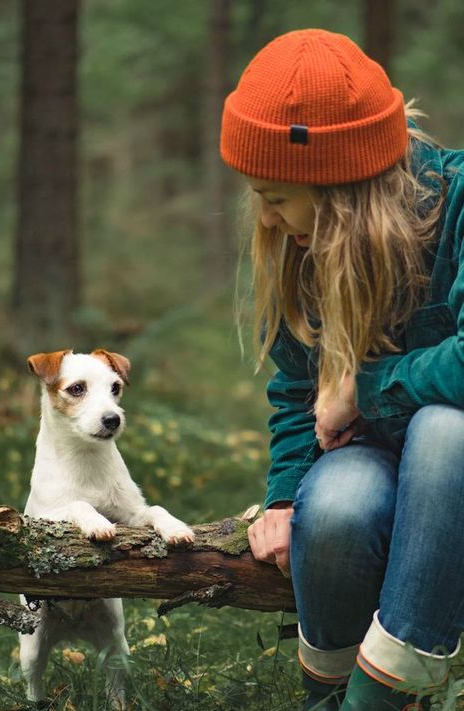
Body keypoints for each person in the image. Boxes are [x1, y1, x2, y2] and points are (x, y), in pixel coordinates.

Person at [219, 28, 464, 711]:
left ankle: (374, 700)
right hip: (369, 463)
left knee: (447, 432)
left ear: (339, 186)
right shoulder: (303, 243)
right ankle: (335, 694)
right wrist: (283, 495)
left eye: (275, 194)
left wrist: (364, 388)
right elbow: (298, 389)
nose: (264, 216)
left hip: (453, 473)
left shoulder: (460, 203)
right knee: (334, 510)